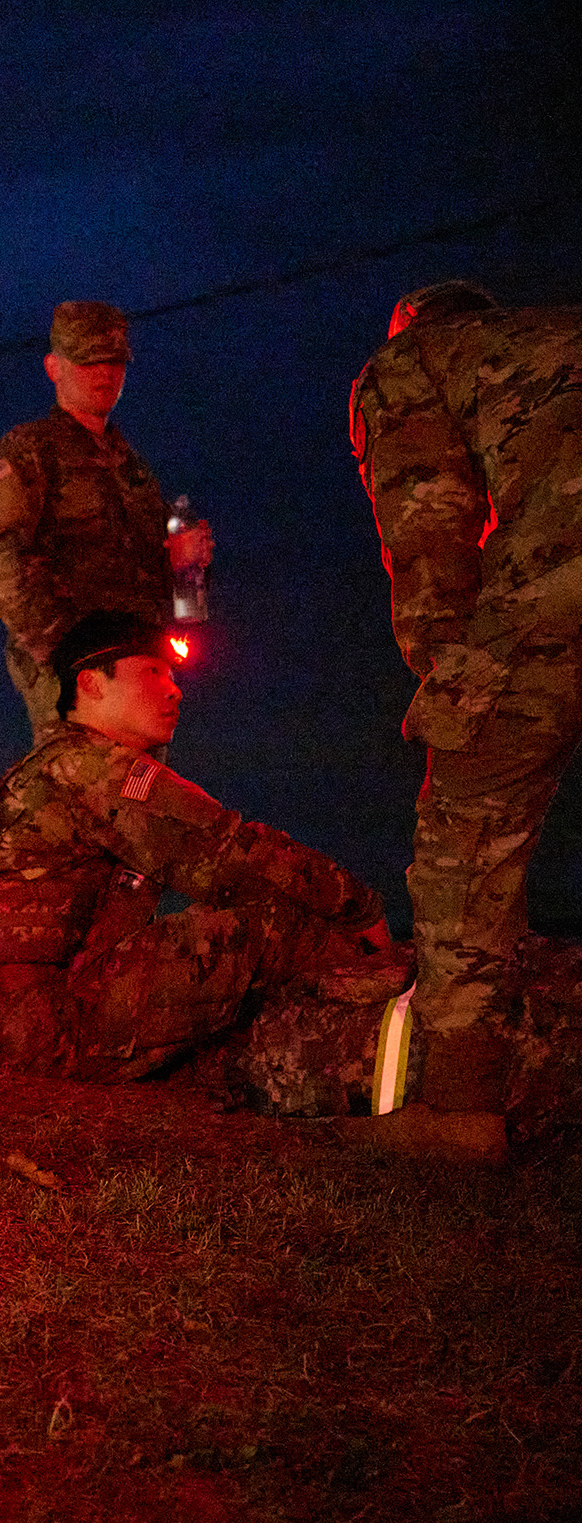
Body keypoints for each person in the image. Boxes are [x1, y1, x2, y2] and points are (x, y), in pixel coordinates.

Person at [0, 611, 413, 1116]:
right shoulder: (94, 769)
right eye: (153, 674)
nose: (174, 691)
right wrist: (362, 910)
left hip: (22, 1028)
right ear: (91, 685)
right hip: (53, 1030)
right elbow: (233, 856)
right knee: (272, 921)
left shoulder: (55, 767)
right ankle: (408, 1024)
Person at [351, 281, 582, 1145]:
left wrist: (451, 685)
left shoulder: (412, 361)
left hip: (562, 571)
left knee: (466, 842)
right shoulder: (551, 335)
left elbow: (429, 535)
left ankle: (458, 1109)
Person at [0, 301, 215, 739]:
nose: (104, 374)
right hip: (76, 672)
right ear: (54, 367)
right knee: (83, 792)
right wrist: (66, 650)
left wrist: (182, 558)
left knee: (138, 794)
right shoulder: (29, 452)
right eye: (87, 362)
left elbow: (150, 572)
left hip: (140, 662)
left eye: (114, 362)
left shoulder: (131, 467)